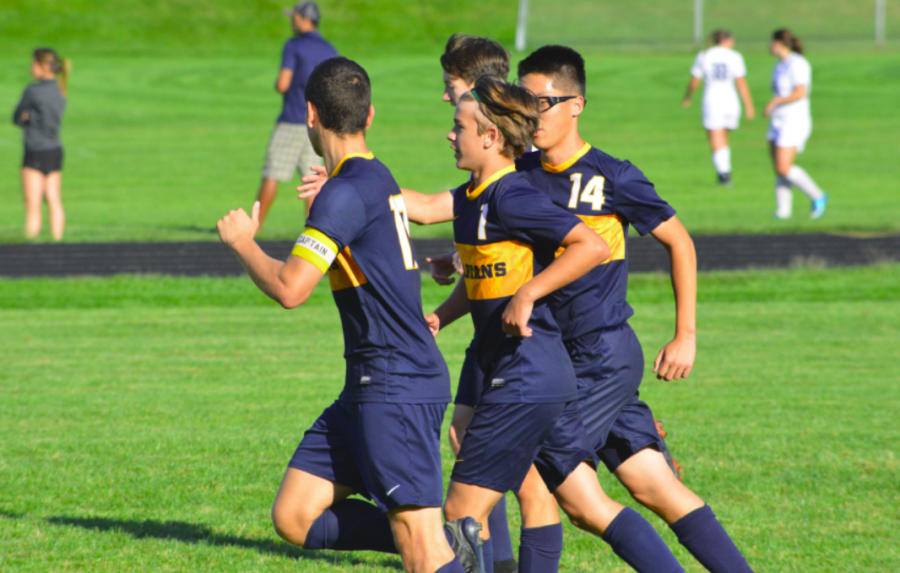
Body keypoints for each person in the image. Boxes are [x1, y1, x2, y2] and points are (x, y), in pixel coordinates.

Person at [216, 57, 479, 573]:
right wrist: (331, 200)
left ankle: (437, 545)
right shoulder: (372, 177)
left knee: (420, 551)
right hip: (367, 383)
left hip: (395, 383)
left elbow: (292, 288)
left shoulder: (346, 191)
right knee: (294, 516)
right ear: (369, 115)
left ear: (310, 114)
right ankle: (444, 538)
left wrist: (244, 244)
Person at [515, 45, 754, 573]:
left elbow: (681, 242)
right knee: (654, 484)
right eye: (522, 101)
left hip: (599, 355)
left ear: (575, 104)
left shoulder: (611, 176)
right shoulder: (520, 173)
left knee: (559, 487)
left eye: (543, 102)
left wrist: (685, 333)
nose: (531, 115)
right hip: (559, 356)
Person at [301, 35, 520, 572]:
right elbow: (418, 208)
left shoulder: (518, 181)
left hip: (528, 345)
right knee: (472, 456)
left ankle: (471, 556)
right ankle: (458, 548)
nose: (447, 106)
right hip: (462, 346)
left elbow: (532, 241)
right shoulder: (478, 183)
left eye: (453, 93)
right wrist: (344, 199)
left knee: (542, 488)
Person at [256, 1, 337, 229]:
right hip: (316, 125)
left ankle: (255, 227)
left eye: (294, 17)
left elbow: (283, 84)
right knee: (311, 181)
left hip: (292, 120)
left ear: (304, 19)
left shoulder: (293, 46)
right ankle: (313, 230)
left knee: (272, 174)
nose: (292, 21)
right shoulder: (329, 49)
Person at [765, 28, 827, 219]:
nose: (768, 46)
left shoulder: (798, 63)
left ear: (779, 43)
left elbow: (801, 92)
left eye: (771, 42)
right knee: (778, 166)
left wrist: (776, 102)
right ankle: (783, 211)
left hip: (794, 120)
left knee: (784, 166)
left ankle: (818, 195)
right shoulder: (779, 65)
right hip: (778, 120)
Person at [682, 30, 755, 186]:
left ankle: (724, 174)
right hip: (731, 101)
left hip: (713, 101)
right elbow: (741, 83)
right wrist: (749, 106)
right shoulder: (735, 56)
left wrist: (687, 97)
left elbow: (695, 81)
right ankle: (724, 170)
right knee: (723, 139)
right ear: (727, 40)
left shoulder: (705, 55)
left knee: (716, 139)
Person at [12, 48, 70, 241]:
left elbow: (17, 118)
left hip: (35, 150)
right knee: (54, 200)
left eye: (33, 65)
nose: (30, 69)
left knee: (32, 204)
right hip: (55, 150)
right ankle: (58, 242)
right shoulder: (60, 89)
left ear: (44, 66)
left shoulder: (33, 91)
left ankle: (30, 244)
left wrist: (26, 118)